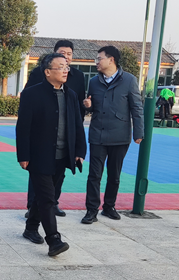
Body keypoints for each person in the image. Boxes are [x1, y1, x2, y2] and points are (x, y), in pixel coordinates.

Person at [16, 53, 86, 256]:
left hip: (62, 156)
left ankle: (31, 228)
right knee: (48, 199)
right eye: (60, 67)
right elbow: (23, 128)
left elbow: (77, 125)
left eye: (66, 67)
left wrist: (79, 151)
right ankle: (54, 240)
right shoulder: (32, 94)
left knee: (47, 195)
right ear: (47, 72)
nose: (65, 71)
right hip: (39, 155)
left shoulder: (71, 95)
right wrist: (23, 155)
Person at [22, 40, 85, 218]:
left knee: (59, 176)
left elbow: (79, 110)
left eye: (69, 54)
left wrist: (77, 144)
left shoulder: (78, 77)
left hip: (65, 135)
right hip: (43, 136)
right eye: (62, 53)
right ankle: (34, 208)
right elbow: (28, 103)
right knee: (39, 177)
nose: (66, 57)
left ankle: (52, 204)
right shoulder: (40, 73)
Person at [81, 46, 143, 224]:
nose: (97, 62)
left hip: (120, 135)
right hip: (98, 134)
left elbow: (137, 107)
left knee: (114, 175)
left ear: (111, 60)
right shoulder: (94, 81)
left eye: (99, 59)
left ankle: (109, 207)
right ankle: (91, 210)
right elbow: (92, 105)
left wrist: (138, 132)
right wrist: (88, 106)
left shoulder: (129, 80)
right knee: (94, 175)